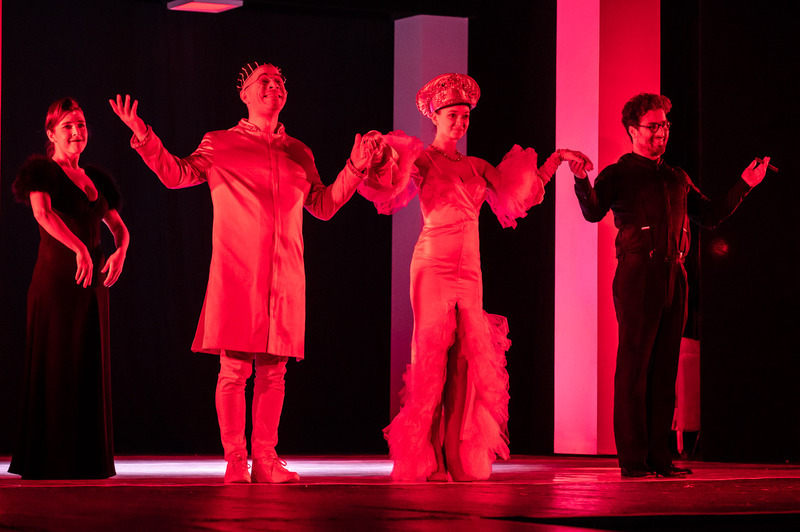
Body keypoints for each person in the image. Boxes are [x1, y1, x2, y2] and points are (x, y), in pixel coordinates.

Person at [109, 62, 375, 484]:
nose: (273, 85)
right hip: (237, 272)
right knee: (234, 369)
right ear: (245, 95)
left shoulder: (299, 151)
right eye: (262, 81)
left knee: (275, 371)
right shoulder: (220, 143)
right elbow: (176, 174)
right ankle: (236, 461)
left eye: (279, 81)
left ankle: (265, 459)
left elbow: (322, 206)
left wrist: (355, 168)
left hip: (285, 274)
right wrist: (143, 136)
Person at [360, 73, 592, 482]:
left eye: (465, 116)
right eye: (452, 115)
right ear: (435, 116)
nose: (460, 122)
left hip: (470, 269)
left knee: (465, 359)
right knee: (431, 356)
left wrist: (556, 159)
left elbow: (520, 196)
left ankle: (453, 451)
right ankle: (429, 453)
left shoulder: (477, 166)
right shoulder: (422, 160)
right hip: (433, 262)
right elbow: (387, 187)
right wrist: (377, 156)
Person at [568, 92, 770, 478]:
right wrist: (581, 179)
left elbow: (709, 215)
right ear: (633, 130)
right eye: (653, 125)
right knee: (634, 368)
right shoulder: (619, 173)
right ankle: (634, 460)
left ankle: (660, 458)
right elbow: (593, 210)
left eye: (665, 125)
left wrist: (745, 184)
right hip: (638, 275)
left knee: (664, 369)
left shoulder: (676, 176)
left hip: (675, 275)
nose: (661, 132)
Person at [9, 97, 129, 479]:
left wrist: (121, 251)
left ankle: (86, 460)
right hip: (58, 281)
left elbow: (119, 227)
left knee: (87, 364)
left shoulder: (95, 178)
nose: (76, 132)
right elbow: (42, 213)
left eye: (81, 125)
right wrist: (79, 248)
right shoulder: (43, 171)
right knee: (58, 364)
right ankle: (50, 459)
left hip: (92, 286)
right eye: (67, 127)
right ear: (51, 134)